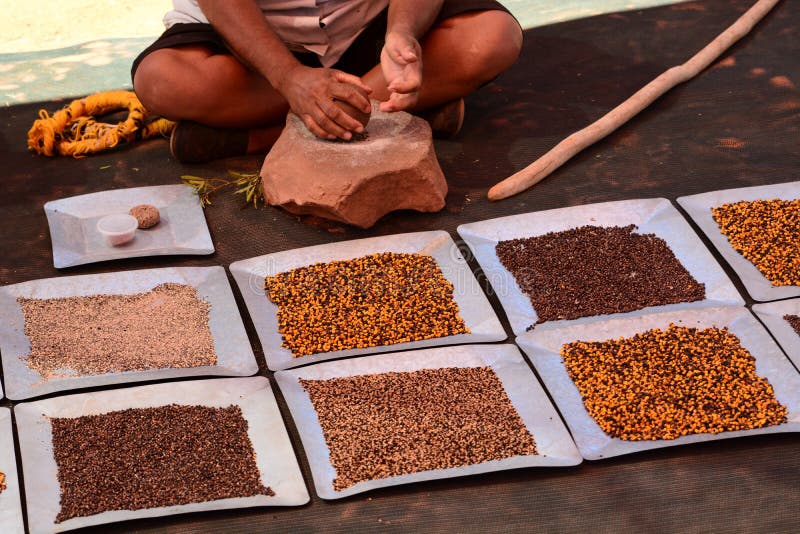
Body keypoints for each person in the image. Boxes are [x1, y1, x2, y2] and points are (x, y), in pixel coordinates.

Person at [132, 0, 523, 163]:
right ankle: (401, 112)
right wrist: (288, 77)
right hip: (257, 41)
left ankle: (264, 136)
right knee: (163, 80)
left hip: (372, 23)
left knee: (490, 38)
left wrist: (403, 34)